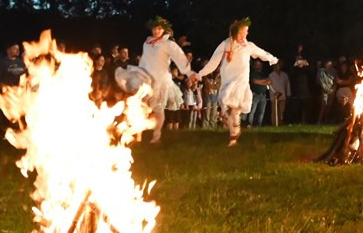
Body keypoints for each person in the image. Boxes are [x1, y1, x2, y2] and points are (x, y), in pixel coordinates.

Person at [195, 17, 278, 147]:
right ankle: (235, 130)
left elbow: (261, 53)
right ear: (238, 31)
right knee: (228, 110)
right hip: (228, 81)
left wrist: (272, 58)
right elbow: (213, 62)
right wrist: (200, 73)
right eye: (246, 30)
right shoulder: (226, 44)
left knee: (234, 109)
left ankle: (233, 136)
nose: (247, 33)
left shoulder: (248, 46)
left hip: (240, 82)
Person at [116, 17, 191, 144]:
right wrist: (139, 73)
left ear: (164, 30)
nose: (157, 31)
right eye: (155, 28)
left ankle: (156, 136)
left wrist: (187, 68)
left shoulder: (168, 44)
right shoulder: (147, 43)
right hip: (146, 77)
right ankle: (135, 133)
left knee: (158, 109)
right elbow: (145, 60)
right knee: (138, 104)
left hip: (160, 79)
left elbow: (179, 57)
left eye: (159, 29)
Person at [269, 59, 291, 125]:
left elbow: (287, 85)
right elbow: (269, 86)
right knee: (275, 111)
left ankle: (280, 122)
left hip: (283, 96)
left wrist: (288, 94)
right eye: (277, 65)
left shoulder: (284, 75)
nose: (278, 66)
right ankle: (274, 123)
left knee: (281, 111)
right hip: (274, 96)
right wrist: (274, 92)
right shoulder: (271, 75)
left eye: (279, 65)